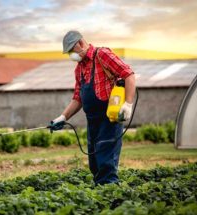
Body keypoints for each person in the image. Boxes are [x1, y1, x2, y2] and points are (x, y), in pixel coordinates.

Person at [50, 30, 136, 185]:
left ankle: (112, 199)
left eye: (71, 51)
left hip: (109, 119)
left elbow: (128, 74)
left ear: (80, 43)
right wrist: (63, 117)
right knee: (95, 164)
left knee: (106, 164)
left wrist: (128, 104)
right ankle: (101, 195)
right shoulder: (79, 68)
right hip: (93, 122)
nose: (71, 55)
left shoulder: (102, 55)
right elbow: (78, 98)